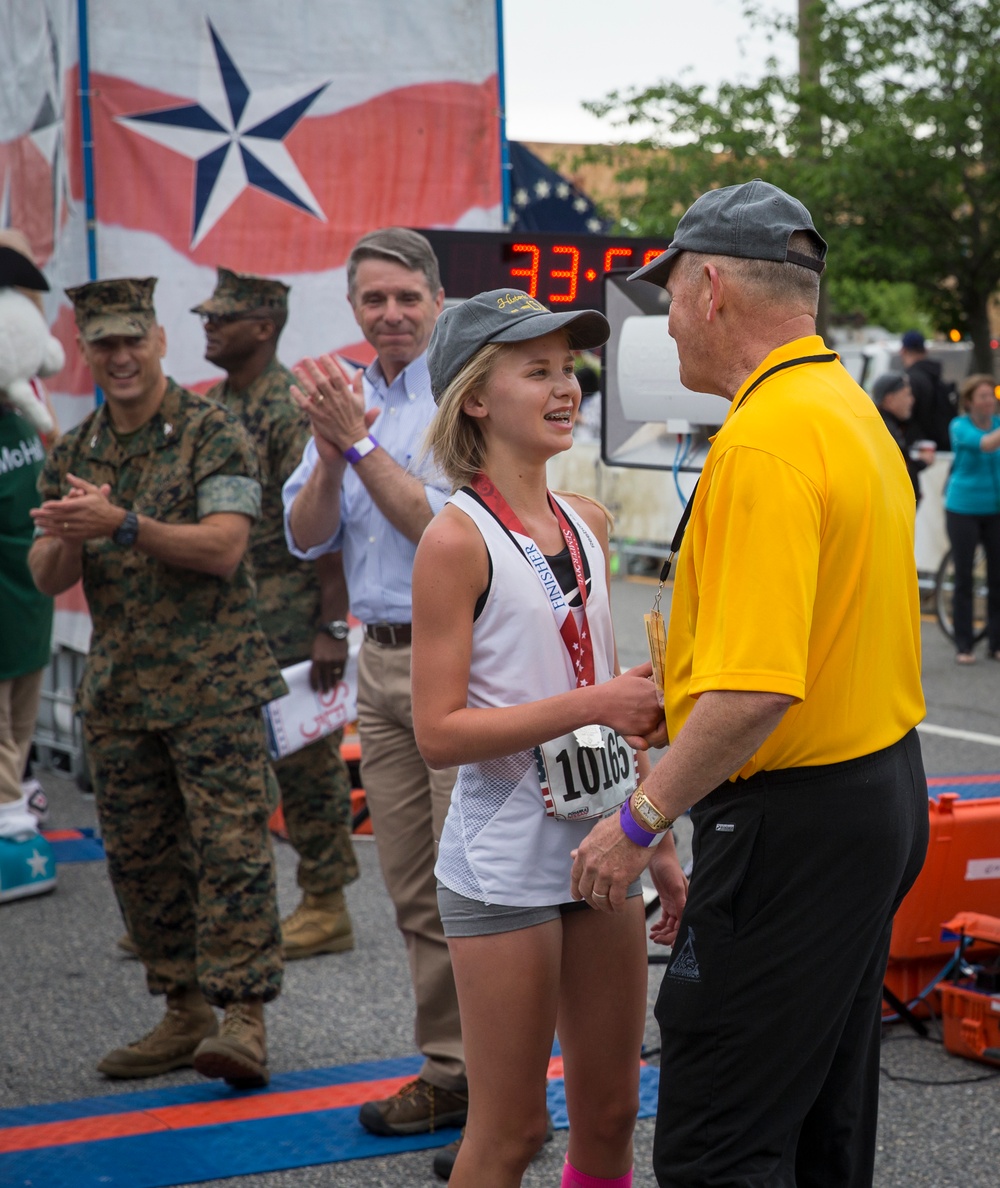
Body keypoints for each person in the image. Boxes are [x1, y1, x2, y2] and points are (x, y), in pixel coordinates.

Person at [571, 179, 929, 1188]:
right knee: (819, 1111)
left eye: (668, 290)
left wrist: (637, 821)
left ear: (711, 288)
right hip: (871, 795)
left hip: (792, 822)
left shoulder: (767, 440)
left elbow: (758, 690)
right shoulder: (843, 411)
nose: (664, 315)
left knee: (720, 1137)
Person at [410, 288, 687, 1188]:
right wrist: (592, 704)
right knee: (512, 1132)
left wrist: (660, 840)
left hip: (604, 848)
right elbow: (438, 733)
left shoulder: (589, 524)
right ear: (477, 400)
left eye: (569, 368)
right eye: (538, 371)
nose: (566, 387)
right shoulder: (455, 540)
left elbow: (616, 704)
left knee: (610, 1116)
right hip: (503, 866)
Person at [29, 277, 286, 1087]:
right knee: (140, 862)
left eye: (132, 338)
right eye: (103, 342)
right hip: (122, 693)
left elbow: (223, 548)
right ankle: (183, 1010)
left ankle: (244, 1017)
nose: (120, 355)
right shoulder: (74, 454)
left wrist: (123, 524)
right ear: (85, 351)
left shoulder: (214, 431)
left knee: (232, 852)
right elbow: (45, 574)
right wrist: (70, 538)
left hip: (214, 686)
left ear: (160, 340)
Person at [282, 228, 467, 1143]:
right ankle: (451, 1072)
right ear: (353, 308)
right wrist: (326, 453)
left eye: (405, 297)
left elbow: (441, 529)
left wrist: (354, 446)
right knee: (414, 889)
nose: (390, 314)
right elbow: (306, 538)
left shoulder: (463, 390)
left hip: (462, 657)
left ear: (436, 298)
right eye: (372, 300)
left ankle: (502, 1080)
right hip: (380, 658)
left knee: (479, 881)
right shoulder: (349, 401)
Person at [192, 267, 359, 958]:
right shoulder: (221, 403)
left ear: (262, 327)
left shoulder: (285, 410)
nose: (209, 326)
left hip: (293, 615)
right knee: (231, 762)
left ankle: (326, 903)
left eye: (222, 318)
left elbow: (325, 525)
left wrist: (331, 625)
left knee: (306, 762)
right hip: (234, 615)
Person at [0, 236, 56, 903]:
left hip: (30, 590)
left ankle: (15, 827)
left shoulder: (23, 417)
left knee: (20, 721)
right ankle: (10, 822)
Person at [943, 373, 1000, 664]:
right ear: (969, 401)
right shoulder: (960, 426)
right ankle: (964, 644)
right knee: (964, 576)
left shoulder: (998, 424)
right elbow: (986, 444)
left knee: (997, 578)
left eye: (991, 395)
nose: (989, 400)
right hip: (963, 507)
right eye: (983, 396)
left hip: (995, 508)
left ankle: (995, 643)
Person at [872, 371, 934, 504]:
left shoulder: (892, 425)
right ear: (889, 399)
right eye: (907, 395)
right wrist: (921, 462)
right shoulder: (885, 429)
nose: (912, 400)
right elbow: (896, 469)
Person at [899, 328, 956, 450]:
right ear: (924, 351)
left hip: (920, 450)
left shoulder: (911, 380)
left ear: (903, 351)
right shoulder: (937, 377)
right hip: (943, 446)